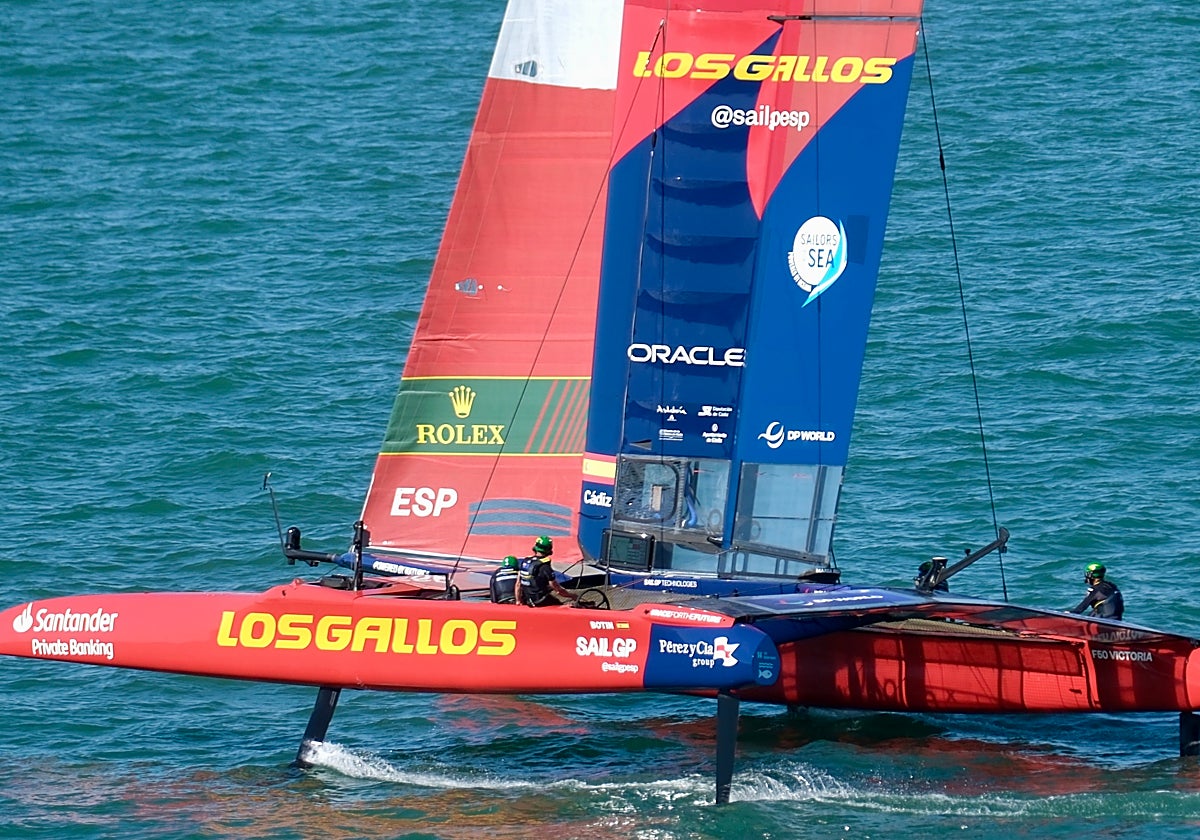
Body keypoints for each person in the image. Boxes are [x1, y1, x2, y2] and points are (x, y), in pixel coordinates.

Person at [514, 535, 576, 607]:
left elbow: (518, 584)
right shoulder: (545, 567)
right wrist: (572, 596)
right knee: (565, 605)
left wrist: (518, 601)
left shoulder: (524, 562)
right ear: (549, 550)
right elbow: (557, 589)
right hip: (541, 601)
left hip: (528, 600)